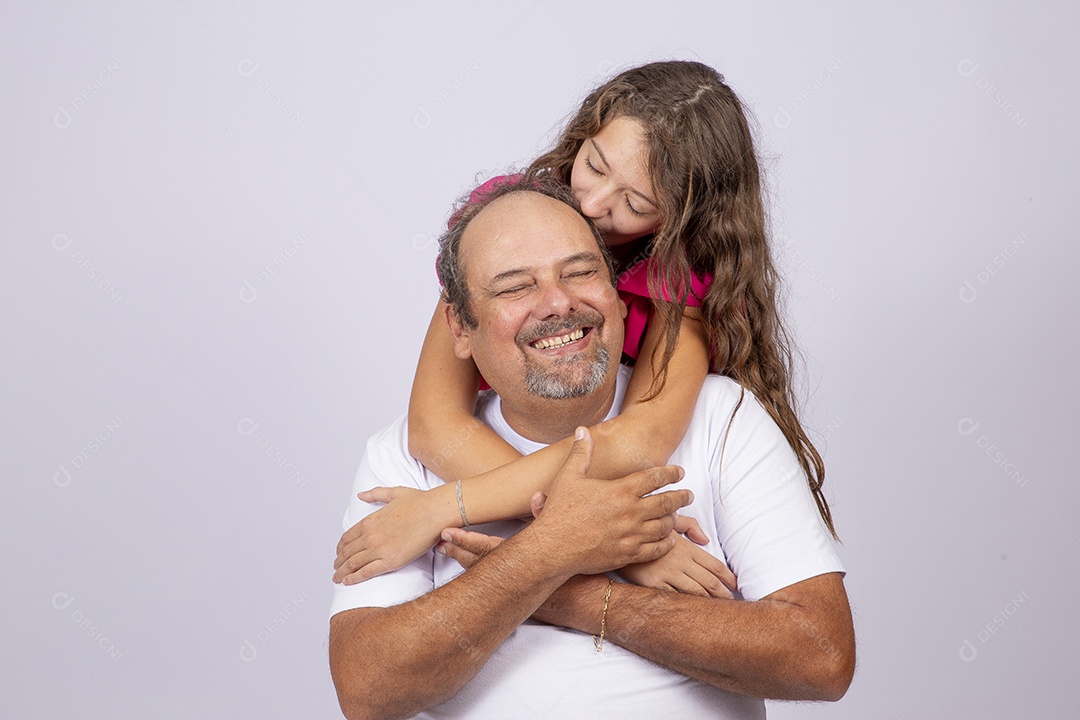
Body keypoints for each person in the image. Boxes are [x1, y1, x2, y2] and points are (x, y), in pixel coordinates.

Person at [329, 176, 854, 719]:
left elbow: (821, 657)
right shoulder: (402, 456)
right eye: (514, 287)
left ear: (622, 296)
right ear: (460, 327)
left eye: (581, 272)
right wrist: (551, 549)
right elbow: (367, 689)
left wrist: (573, 594)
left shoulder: (722, 416)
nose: (558, 302)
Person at [333, 61, 836, 596]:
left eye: (635, 203)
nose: (592, 204)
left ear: (682, 219)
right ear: (585, 132)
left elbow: (638, 441)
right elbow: (434, 426)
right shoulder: (506, 221)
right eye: (594, 165)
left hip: (581, 459)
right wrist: (618, 544)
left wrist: (441, 508)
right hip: (520, 441)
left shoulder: (682, 273)